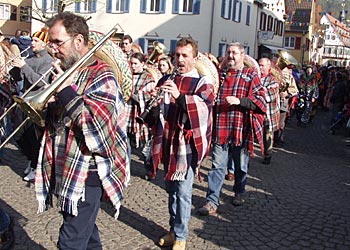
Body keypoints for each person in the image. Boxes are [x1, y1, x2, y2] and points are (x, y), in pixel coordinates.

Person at [34, 12, 128, 249]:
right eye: (50, 42)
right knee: (87, 235)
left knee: (70, 241)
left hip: (89, 171)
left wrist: (66, 93)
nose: (51, 49)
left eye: (57, 42)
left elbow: (96, 126)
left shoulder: (103, 75)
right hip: (65, 166)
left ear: (78, 41)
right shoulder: (66, 71)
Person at [148, 38, 214, 250]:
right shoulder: (168, 78)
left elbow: (203, 110)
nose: (180, 60)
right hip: (167, 142)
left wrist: (179, 96)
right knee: (171, 190)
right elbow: (157, 113)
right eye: (177, 55)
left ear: (195, 58)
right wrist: (153, 100)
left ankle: (181, 237)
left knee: (184, 193)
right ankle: (172, 230)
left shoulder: (202, 82)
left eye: (185, 55)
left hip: (185, 146)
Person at [198, 42, 266, 216]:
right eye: (228, 52)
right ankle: (212, 201)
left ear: (242, 55)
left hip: (240, 131)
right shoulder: (219, 75)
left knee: (240, 167)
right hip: (220, 129)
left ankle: (239, 191)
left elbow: (260, 101)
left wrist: (240, 101)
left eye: (234, 53)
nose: (230, 56)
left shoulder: (250, 75)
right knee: (217, 167)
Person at [11, 27, 55, 182]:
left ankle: (36, 165)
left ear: (44, 43)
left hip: (36, 104)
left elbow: (41, 82)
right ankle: (31, 158)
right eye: (32, 39)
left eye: (36, 40)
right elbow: (18, 79)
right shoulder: (28, 58)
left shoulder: (49, 61)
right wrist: (15, 69)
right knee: (18, 136)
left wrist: (24, 66)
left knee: (33, 137)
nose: (32, 43)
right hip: (23, 101)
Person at [127, 52, 156, 180]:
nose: (133, 66)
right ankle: (125, 172)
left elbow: (150, 97)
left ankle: (149, 169)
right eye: (131, 63)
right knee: (125, 147)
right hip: (126, 116)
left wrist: (133, 94)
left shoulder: (148, 78)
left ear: (142, 64)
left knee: (145, 148)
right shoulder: (126, 76)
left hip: (141, 118)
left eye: (135, 64)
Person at [259, 58, 280, 164]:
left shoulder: (273, 80)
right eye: (259, 65)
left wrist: (259, 93)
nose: (260, 67)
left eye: (262, 65)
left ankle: (268, 155)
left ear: (268, 66)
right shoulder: (256, 77)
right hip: (257, 111)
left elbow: (269, 96)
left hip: (268, 112)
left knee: (267, 135)